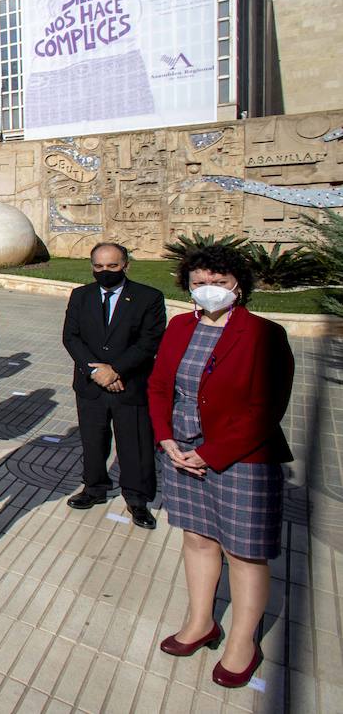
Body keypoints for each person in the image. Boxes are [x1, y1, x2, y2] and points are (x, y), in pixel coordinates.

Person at [150, 245, 293, 689]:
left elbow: (265, 409)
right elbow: (158, 387)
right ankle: (200, 622)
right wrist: (167, 439)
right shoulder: (178, 327)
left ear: (238, 286)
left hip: (241, 457)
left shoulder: (264, 334)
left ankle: (243, 644)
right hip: (181, 451)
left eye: (218, 282)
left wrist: (211, 453)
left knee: (244, 553)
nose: (208, 290)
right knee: (197, 538)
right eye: (198, 283)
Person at [62, 242, 165, 528]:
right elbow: (71, 337)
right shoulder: (81, 296)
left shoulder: (148, 297)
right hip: (91, 384)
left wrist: (116, 370)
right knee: (93, 440)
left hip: (128, 384)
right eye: (99, 266)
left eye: (112, 266)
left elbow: (149, 341)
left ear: (125, 265)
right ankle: (94, 487)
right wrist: (96, 372)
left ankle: (137, 499)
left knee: (135, 444)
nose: (105, 271)